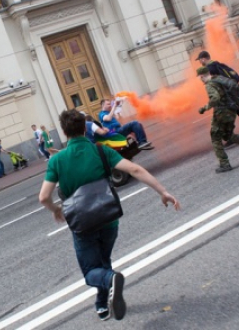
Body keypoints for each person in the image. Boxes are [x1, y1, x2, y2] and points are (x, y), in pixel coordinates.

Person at [38, 109, 180, 321]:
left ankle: (111, 280)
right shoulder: (101, 151)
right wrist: (163, 192)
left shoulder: (57, 161)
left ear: (64, 132)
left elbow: (43, 197)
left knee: (91, 272)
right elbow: (135, 169)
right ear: (84, 129)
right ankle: (102, 303)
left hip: (82, 223)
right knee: (103, 260)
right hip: (108, 218)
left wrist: (56, 209)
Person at [196, 67, 239, 173]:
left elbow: (215, 98)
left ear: (202, 76)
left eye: (200, 78)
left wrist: (204, 108)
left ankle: (224, 164)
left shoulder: (210, 85)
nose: (200, 80)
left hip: (221, 114)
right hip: (231, 111)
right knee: (227, 135)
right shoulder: (218, 78)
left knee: (215, 138)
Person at [196, 51, 239, 139]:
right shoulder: (217, 64)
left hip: (226, 96)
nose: (199, 62)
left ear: (203, 59)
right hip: (230, 94)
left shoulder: (211, 69)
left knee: (228, 116)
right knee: (234, 115)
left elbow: (216, 84)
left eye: (199, 60)